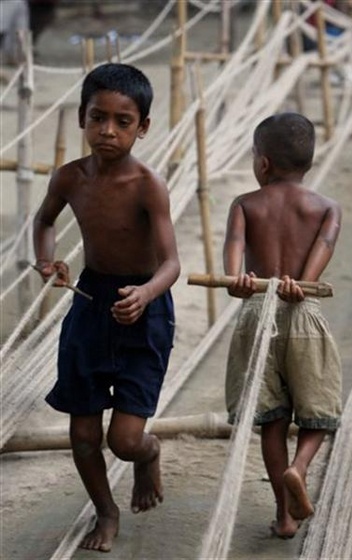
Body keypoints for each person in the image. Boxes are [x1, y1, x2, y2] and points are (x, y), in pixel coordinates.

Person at [33, 62, 180, 553]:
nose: (108, 131)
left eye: (122, 121)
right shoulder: (70, 178)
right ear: (81, 117)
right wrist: (46, 260)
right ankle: (106, 510)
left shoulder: (147, 184)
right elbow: (44, 222)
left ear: (143, 127)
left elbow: (172, 264)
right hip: (91, 303)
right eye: (98, 118)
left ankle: (148, 454)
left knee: (124, 439)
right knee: (81, 432)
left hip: (145, 309)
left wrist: (145, 294)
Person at [223, 112, 342, 540]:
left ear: (263, 163)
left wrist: (237, 277)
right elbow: (315, 266)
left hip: (257, 313)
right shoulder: (327, 207)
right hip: (302, 313)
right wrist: (300, 286)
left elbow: (234, 256)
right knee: (319, 413)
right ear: (308, 163)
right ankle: (300, 467)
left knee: (272, 420)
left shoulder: (244, 204)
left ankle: (284, 515)